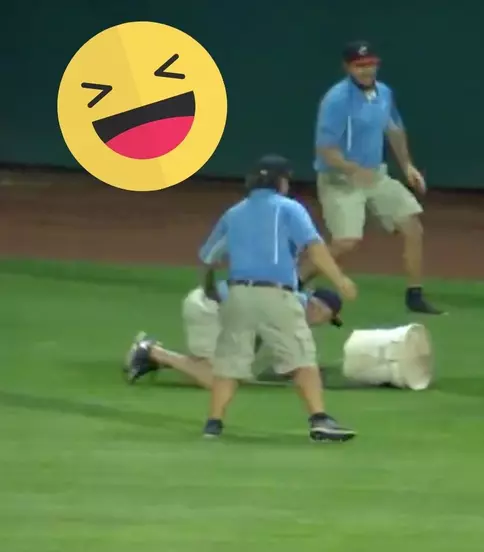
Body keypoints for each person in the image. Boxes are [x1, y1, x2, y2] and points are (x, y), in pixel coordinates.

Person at [196, 154, 358, 442]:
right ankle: (319, 419)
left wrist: (210, 287)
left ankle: (213, 424)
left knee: (229, 363)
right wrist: (339, 279)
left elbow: (208, 257)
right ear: (281, 181)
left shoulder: (234, 213)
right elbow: (316, 249)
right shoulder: (289, 208)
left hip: (238, 294)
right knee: (301, 358)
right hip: (276, 295)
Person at [310, 40, 442, 314]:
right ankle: (295, 280)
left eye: (371, 64)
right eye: (360, 66)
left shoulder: (384, 93)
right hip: (340, 181)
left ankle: (414, 295)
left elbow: (393, 129)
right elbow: (326, 150)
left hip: (376, 177)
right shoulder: (336, 100)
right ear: (347, 68)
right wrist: (354, 170)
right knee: (346, 243)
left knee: (412, 227)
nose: (367, 70)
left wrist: (407, 166)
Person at [123, 281, 344, 390]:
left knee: (216, 372)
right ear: (318, 309)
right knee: (217, 381)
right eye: (327, 317)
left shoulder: (292, 301)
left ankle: (155, 359)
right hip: (208, 308)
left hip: (216, 308)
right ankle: (151, 352)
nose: (323, 323)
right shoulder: (292, 308)